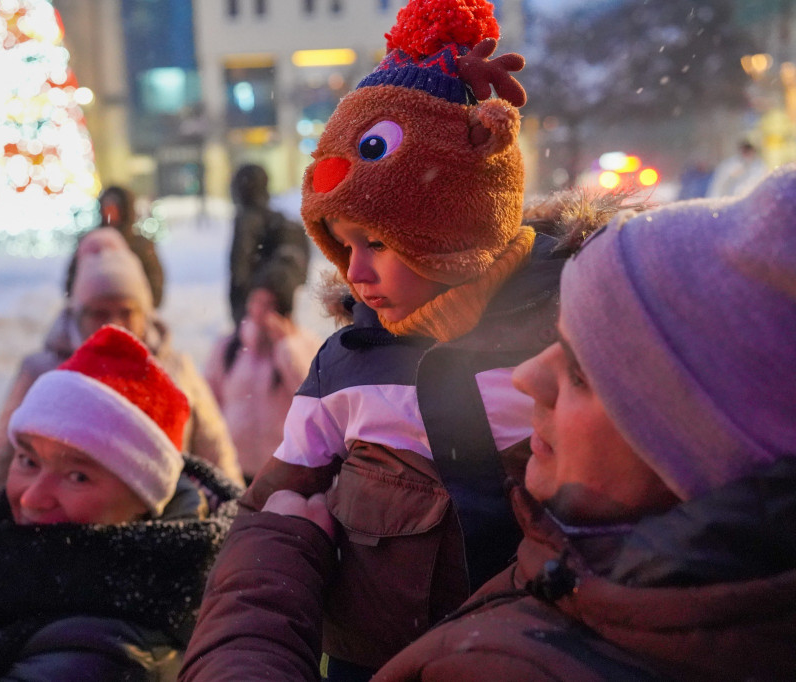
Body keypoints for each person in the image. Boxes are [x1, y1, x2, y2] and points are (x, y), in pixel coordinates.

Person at [180, 163, 796, 682]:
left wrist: (260, 585)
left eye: (581, 371)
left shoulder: (523, 657)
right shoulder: (599, 585)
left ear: (690, 435)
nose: (529, 379)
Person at [232, 1, 588, 677]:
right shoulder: (345, 370)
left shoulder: (575, 327)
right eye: (341, 245)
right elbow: (271, 504)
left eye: (379, 242)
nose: (356, 275)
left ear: (460, 222)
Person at [0, 325, 242, 681]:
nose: (33, 496)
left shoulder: (104, 651)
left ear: (142, 501)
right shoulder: (1, 563)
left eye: (77, 476)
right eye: (28, 460)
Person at [0, 228, 243, 486]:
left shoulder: (176, 370)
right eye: (99, 313)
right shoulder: (43, 373)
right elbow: (3, 464)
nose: (114, 324)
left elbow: (218, 459)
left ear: (146, 314)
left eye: (126, 311)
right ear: (77, 315)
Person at [205, 256, 322, 483]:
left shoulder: (304, 345)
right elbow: (209, 400)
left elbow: (312, 396)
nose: (259, 312)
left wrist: (286, 347)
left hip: (284, 468)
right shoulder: (230, 347)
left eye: (268, 305)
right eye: (256, 302)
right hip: (235, 467)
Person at [228, 163, 311, 326]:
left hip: (255, 311)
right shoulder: (282, 222)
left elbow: (240, 269)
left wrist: (240, 318)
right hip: (280, 311)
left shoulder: (248, 221)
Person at [87, 184, 164, 306]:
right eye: (107, 206)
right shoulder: (92, 243)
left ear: (124, 210)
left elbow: (154, 283)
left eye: (114, 206)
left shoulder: (140, 245)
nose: (109, 211)